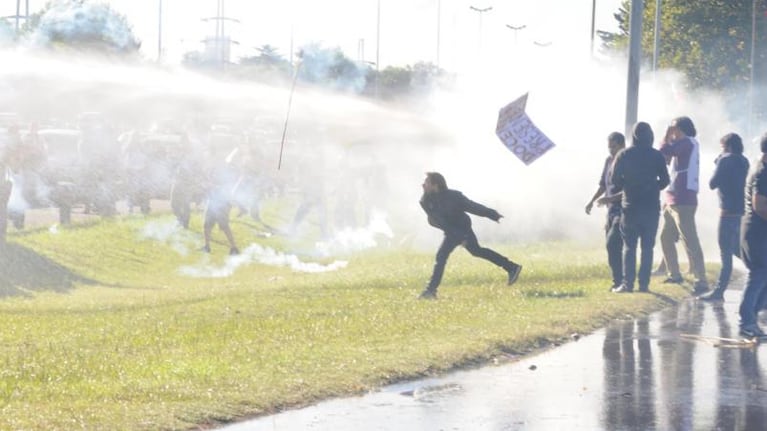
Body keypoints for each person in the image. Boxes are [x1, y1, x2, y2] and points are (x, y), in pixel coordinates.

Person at [418, 172, 521, 299]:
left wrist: (492, 214)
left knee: (442, 256)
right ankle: (512, 267)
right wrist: (458, 237)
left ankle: (430, 291)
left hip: (463, 227)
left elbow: (473, 207)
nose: (423, 185)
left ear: (435, 185)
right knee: (475, 251)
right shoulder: (425, 201)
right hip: (451, 231)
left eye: (426, 182)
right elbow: (440, 221)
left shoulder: (454, 196)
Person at [610, 122, 670, 293]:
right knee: (647, 247)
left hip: (630, 206)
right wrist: (652, 187)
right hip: (651, 206)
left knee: (629, 247)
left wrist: (628, 186)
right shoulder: (657, 156)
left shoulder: (624, 154)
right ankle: (644, 284)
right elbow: (665, 180)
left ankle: (628, 284)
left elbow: (614, 179)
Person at [658, 116, 709, 293]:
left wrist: (665, 135)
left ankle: (701, 278)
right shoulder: (685, 143)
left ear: (681, 129)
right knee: (665, 237)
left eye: (674, 129)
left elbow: (664, 150)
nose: (672, 132)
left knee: (690, 239)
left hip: (683, 199)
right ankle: (674, 274)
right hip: (673, 198)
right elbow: (664, 156)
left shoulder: (687, 142)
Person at [698, 133, 749, 301]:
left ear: (727, 146)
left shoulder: (725, 160)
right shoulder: (744, 161)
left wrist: (719, 161)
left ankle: (719, 292)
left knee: (725, 253)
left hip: (727, 214)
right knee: (739, 250)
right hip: (741, 214)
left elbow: (712, 183)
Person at [585, 132, 626, 291]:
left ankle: (623, 280)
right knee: (611, 247)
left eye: (614, 147)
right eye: (610, 148)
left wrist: (609, 200)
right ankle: (617, 280)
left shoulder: (627, 161)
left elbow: (629, 189)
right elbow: (603, 185)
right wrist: (591, 200)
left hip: (623, 209)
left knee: (613, 242)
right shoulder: (608, 161)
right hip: (610, 211)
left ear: (622, 145)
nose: (611, 151)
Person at [738, 133, 767, 339]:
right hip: (756, 232)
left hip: (758, 231)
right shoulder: (762, 173)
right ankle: (746, 321)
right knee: (758, 274)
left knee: (763, 276)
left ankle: (752, 319)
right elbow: (759, 205)